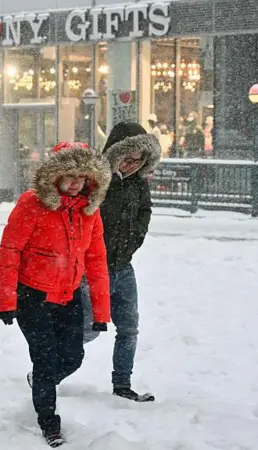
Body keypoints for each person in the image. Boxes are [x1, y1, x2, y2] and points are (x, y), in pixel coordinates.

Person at [0, 141, 112, 447]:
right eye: (69, 175)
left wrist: (101, 313)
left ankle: (40, 382)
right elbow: (10, 251)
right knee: (46, 360)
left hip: (68, 297)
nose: (76, 183)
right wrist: (7, 301)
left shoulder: (90, 211)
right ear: (55, 175)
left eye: (82, 177)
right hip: (32, 297)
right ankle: (49, 423)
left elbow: (97, 261)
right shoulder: (31, 204)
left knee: (73, 357)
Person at [85, 122, 161, 403]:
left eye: (138, 161)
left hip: (123, 266)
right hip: (92, 269)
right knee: (86, 329)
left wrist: (133, 242)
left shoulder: (138, 182)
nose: (131, 165)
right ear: (115, 152)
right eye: (127, 159)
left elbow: (144, 212)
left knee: (129, 328)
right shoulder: (95, 180)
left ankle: (122, 384)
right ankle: (47, 374)